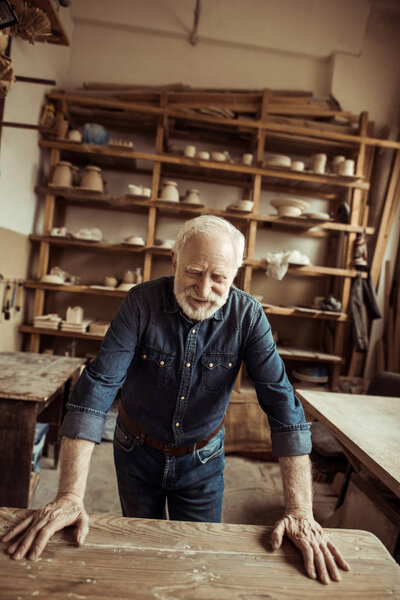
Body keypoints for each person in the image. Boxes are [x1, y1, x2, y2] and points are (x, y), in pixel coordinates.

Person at [2, 215, 350, 584]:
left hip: (203, 460)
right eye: (194, 272)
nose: (203, 289)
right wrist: (69, 494)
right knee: (143, 552)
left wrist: (300, 510)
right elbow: (98, 387)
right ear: (174, 261)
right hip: (135, 451)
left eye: (219, 278)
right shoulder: (140, 303)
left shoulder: (248, 316)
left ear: (237, 272)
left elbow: (283, 406)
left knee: (198, 562)